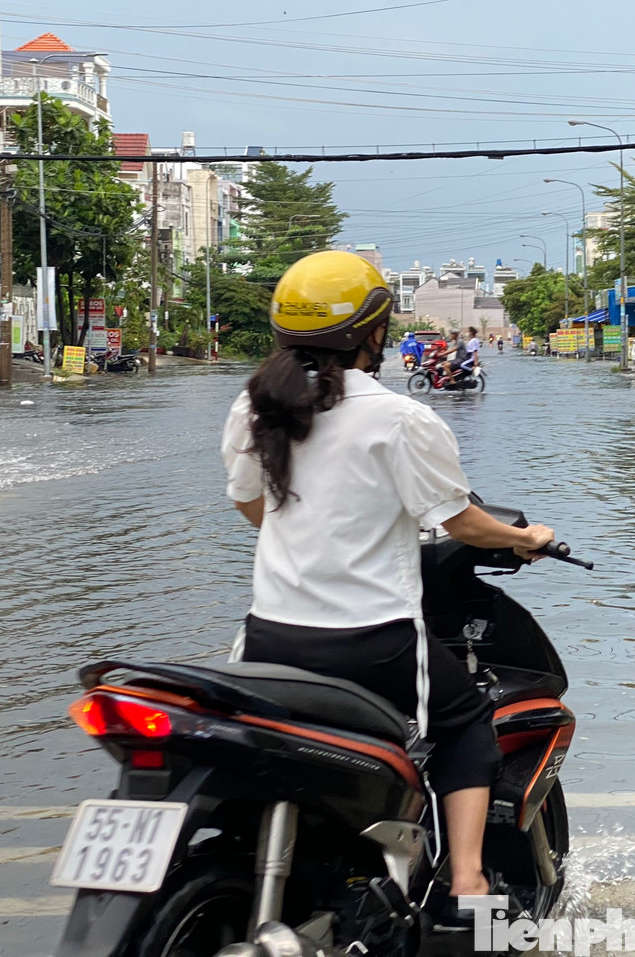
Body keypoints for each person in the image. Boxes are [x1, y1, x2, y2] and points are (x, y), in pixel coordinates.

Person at [220, 251, 554, 905]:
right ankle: (467, 882)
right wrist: (525, 538)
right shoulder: (399, 417)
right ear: (374, 333)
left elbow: (254, 506)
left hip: (266, 640)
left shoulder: (253, 406)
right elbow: (462, 522)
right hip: (373, 641)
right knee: (466, 721)